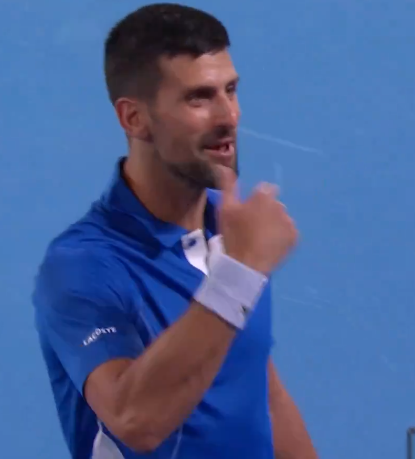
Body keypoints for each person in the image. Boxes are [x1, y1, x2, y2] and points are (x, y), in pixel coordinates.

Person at [32, 3, 318, 458]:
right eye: (199, 98)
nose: (228, 116)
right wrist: (240, 272)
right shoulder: (83, 266)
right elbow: (135, 421)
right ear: (133, 119)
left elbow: (261, 391)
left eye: (231, 90)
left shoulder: (233, 230)